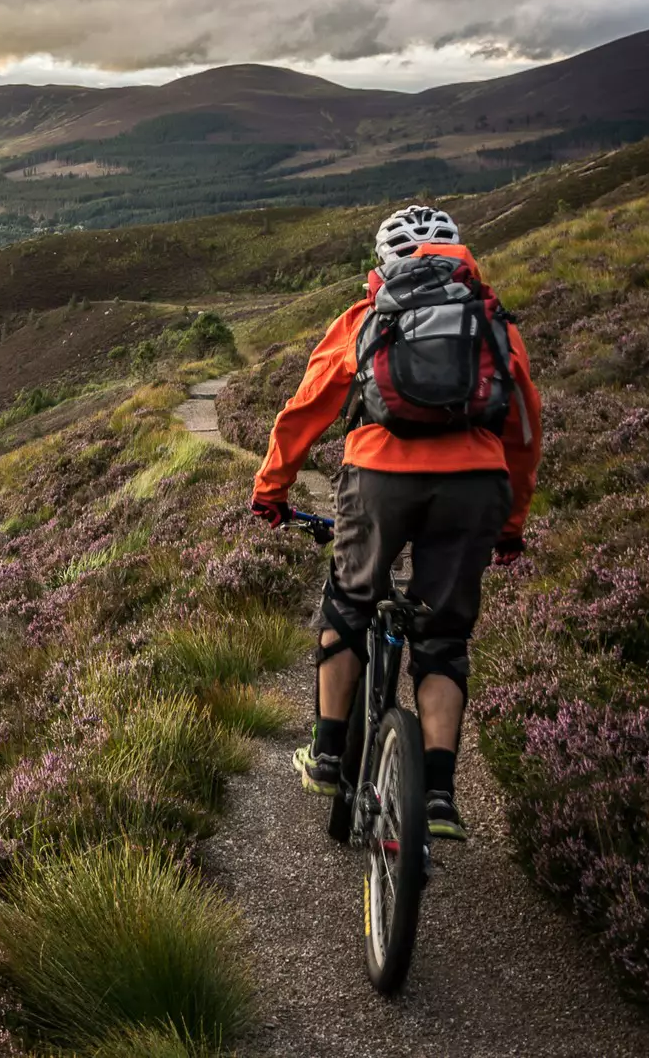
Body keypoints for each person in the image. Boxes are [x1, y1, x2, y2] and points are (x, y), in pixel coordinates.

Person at [250, 205, 542, 840]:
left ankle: (328, 755)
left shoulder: (365, 317)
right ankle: (437, 796)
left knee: (349, 603)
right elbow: (523, 433)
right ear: (459, 256)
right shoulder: (493, 322)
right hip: (475, 486)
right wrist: (510, 525)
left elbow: (304, 411)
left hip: (380, 478)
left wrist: (272, 489)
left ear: (383, 261)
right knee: (443, 640)